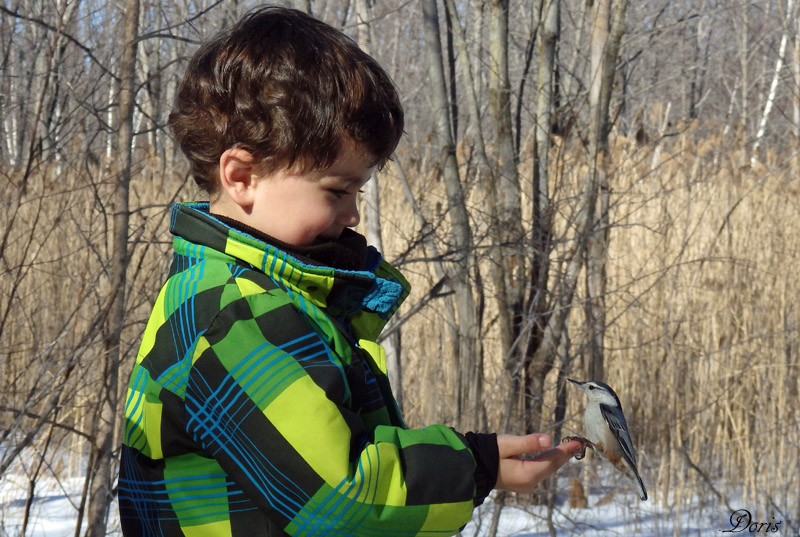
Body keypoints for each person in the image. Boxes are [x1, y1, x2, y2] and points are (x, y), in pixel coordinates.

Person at [118, 6, 582, 536]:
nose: (353, 214)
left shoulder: (251, 296)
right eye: (337, 191)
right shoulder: (237, 314)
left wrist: (480, 461)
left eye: (358, 191)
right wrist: (475, 466)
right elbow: (341, 496)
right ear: (242, 176)